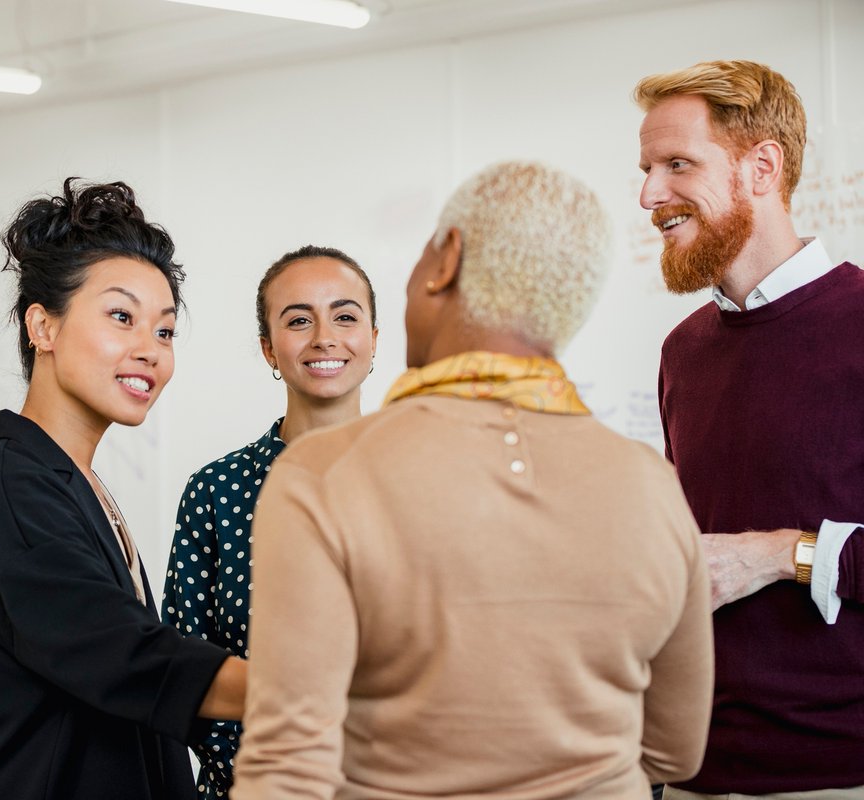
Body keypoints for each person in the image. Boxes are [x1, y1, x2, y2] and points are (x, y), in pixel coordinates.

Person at [231, 161, 714, 800]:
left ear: (446, 259)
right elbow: (674, 750)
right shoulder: (651, 485)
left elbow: (286, 770)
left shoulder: (322, 475)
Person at [0, 178, 246, 800]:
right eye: (120, 317)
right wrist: (334, 691)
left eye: (164, 332)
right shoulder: (17, 499)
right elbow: (130, 658)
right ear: (43, 327)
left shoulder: (69, 478)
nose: (149, 351)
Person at [636, 60, 864, 798]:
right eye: (646, 169)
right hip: (690, 770)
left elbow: (746, 558)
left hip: (835, 773)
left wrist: (782, 555)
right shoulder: (683, 351)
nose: (649, 195)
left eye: (677, 165)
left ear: (761, 167)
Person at [163, 245, 378, 799]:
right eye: (299, 320)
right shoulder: (216, 492)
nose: (325, 337)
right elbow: (183, 666)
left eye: (346, 316)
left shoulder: (424, 480)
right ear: (269, 349)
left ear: (373, 340)